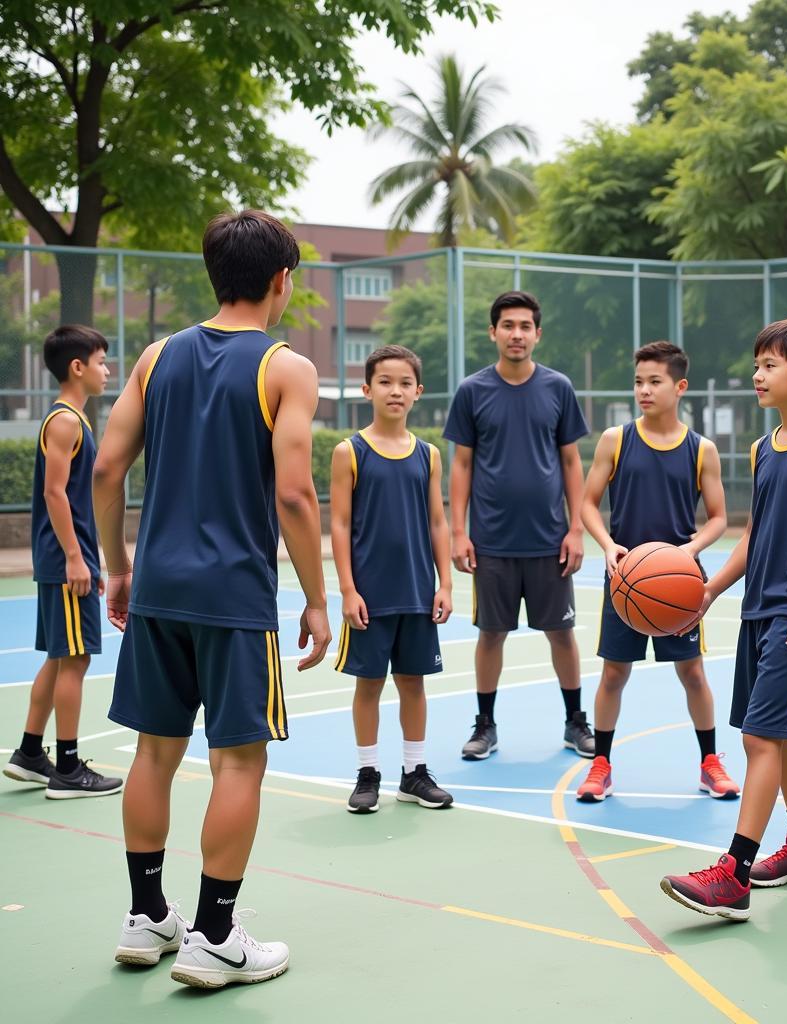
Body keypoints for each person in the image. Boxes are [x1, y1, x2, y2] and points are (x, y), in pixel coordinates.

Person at [94, 210, 331, 986]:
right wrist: (317, 598)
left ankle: (145, 918)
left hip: (158, 589)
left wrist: (119, 566)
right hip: (233, 596)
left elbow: (105, 469)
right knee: (238, 762)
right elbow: (295, 494)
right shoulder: (286, 367)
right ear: (280, 281)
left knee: (153, 753)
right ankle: (216, 935)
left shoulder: (157, 357)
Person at [660, 317, 787, 921]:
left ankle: (734, 874)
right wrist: (708, 593)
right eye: (757, 364)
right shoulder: (761, 448)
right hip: (758, 611)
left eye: (769, 365)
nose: (757, 374)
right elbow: (753, 536)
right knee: (783, 734)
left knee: (759, 738)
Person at [576, 341, 738, 802]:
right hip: (626, 577)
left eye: (655, 381)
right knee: (613, 674)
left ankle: (710, 763)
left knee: (692, 673)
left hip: (679, 582)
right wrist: (607, 546)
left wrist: (690, 550)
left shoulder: (700, 449)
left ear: (679, 386)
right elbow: (587, 504)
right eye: (638, 382)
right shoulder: (616, 439)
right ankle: (601, 765)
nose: (644, 390)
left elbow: (720, 518)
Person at [444, 291, 594, 759]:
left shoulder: (557, 388)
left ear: (537, 334)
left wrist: (576, 529)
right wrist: (458, 530)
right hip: (492, 540)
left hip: (550, 540)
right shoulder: (472, 391)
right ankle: (484, 724)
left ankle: (575, 721)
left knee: (561, 633)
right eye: (508, 325)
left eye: (525, 326)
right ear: (493, 333)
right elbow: (462, 465)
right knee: (491, 634)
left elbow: (572, 462)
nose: (516, 334)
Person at [332, 344, 454, 814]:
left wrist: (444, 583)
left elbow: (438, 523)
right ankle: (368, 774)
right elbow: (339, 524)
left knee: (413, 683)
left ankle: (414, 773)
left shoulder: (428, 454)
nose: (395, 390)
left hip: (418, 592)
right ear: (367, 389)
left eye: (405, 383)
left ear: (418, 392)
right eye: (385, 381)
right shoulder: (350, 452)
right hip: (370, 594)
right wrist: (347, 588)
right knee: (368, 685)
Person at [3, 325, 122, 799]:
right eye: (100, 361)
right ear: (78, 367)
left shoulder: (70, 419)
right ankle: (68, 769)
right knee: (76, 657)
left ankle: (31, 753)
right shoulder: (66, 421)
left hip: (64, 558)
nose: (107, 369)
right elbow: (56, 492)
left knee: (60, 657)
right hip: (63, 559)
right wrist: (76, 558)